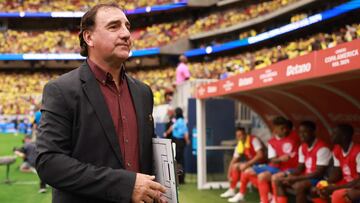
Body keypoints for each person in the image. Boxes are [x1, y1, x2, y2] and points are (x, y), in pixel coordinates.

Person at [35, 3, 166, 203]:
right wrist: (125, 185)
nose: (126, 34)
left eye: (127, 27)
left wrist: (168, 175)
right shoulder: (61, 90)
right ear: (89, 37)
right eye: (114, 27)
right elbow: (49, 163)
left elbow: (147, 153)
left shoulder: (143, 92)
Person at [240, 117, 299, 203]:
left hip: (292, 168)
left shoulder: (296, 137)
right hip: (277, 167)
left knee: (275, 178)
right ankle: (264, 200)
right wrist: (280, 159)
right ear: (275, 129)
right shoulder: (272, 141)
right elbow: (272, 159)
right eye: (280, 128)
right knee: (252, 173)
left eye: (284, 128)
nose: (284, 130)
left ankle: (274, 199)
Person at [274, 121, 331, 203]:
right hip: (307, 177)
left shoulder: (322, 148)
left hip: (320, 179)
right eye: (300, 132)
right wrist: (290, 175)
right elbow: (300, 167)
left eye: (305, 132)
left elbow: (319, 173)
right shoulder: (302, 146)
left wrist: (296, 178)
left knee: (299, 186)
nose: (301, 134)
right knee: (279, 180)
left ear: (313, 132)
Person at [316, 124, 360, 203]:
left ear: (344, 137)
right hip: (346, 183)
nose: (331, 135)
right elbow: (337, 172)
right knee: (321, 188)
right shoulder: (337, 149)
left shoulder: (358, 152)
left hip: (356, 186)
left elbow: (359, 181)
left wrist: (336, 188)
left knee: (337, 194)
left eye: (334, 133)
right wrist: (326, 182)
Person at [220, 127, 266, 202]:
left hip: (263, 164)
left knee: (244, 169)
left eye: (240, 135)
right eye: (237, 136)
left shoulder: (253, 139)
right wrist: (229, 175)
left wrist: (247, 164)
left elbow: (260, 155)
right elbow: (233, 161)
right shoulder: (240, 144)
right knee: (235, 166)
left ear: (245, 134)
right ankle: (232, 189)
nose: (239, 138)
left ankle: (242, 193)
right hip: (253, 164)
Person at [163, 107, 189, 184]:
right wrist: (187, 141)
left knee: (176, 160)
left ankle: (178, 179)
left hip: (176, 142)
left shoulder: (178, 121)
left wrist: (166, 133)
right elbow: (185, 133)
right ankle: (181, 179)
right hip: (180, 143)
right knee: (180, 161)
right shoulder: (182, 121)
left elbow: (171, 128)